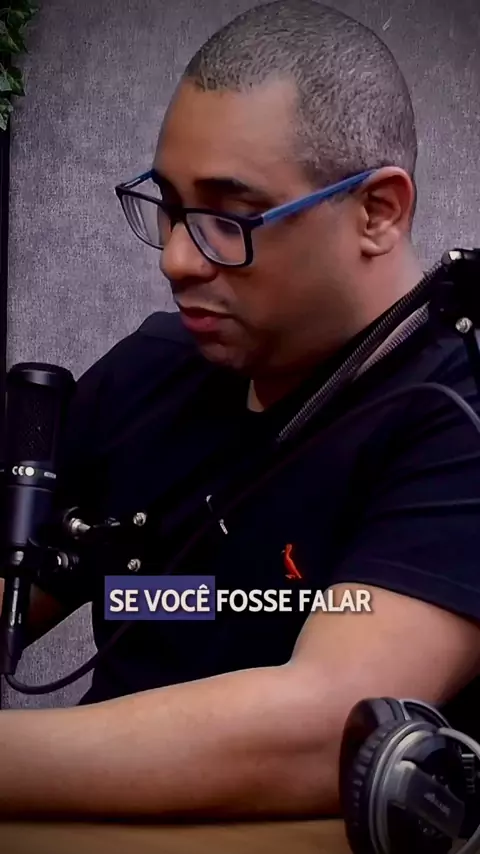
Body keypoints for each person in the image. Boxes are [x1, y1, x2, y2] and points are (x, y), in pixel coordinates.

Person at [1, 0, 480, 822]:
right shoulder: (150, 368)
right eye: (170, 207)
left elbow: (334, 729)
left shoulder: (456, 419)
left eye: (227, 217)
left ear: (377, 211)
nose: (178, 260)